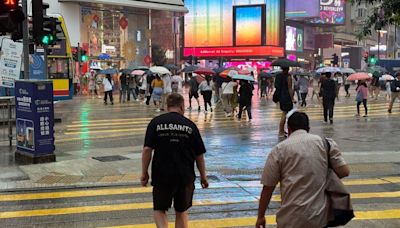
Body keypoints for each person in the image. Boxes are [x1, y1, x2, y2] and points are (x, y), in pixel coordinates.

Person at [256, 112, 350, 228]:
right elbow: (344, 171)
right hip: (319, 217)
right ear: (308, 128)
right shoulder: (326, 144)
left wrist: (261, 216)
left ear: (289, 130)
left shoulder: (279, 150)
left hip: (290, 219)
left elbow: (268, 187)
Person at [141, 93, 209, 228]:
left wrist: (144, 173)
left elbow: (147, 150)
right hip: (185, 175)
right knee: (181, 211)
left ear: (167, 106)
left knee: (159, 209)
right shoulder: (190, 126)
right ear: (182, 107)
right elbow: (199, 155)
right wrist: (203, 176)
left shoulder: (155, 123)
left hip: (162, 174)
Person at [274, 67, 294, 137]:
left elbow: (276, 86)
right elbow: (290, 88)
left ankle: (282, 130)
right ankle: (280, 132)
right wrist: (292, 98)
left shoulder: (278, 76)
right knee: (285, 114)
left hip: (280, 96)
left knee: (284, 113)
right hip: (286, 97)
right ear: (288, 69)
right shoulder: (288, 77)